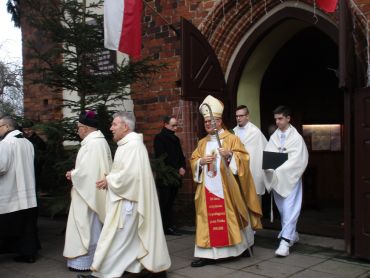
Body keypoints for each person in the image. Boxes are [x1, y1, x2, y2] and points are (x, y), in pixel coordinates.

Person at [78, 112, 170, 278]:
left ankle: (102, 273)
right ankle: (145, 268)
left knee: (116, 239)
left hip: (129, 202)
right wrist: (111, 179)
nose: (111, 128)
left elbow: (132, 176)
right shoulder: (126, 145)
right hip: (125, 198)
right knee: (127, 240)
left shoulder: (133, 146)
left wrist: (109, 180)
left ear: (125, 126)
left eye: (114, 124)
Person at [189, 95, 262, 267]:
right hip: (207, 189)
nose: (208, 124)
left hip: (227, 189)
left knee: (233, 214)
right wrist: (200, 162)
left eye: (211, 121)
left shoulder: (231, 139)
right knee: (207, 219)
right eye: (206, 122)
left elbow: (244, 158)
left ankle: (241, 247)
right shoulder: (202, 143)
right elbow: (194, 160)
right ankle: (207, 254)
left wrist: (230, 155)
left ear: (219, 122)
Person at [63, 111, 112, 272]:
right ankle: (92, 259)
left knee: (87, 225)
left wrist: (73, 174)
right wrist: (77, 174)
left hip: (88, 194)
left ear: (85, 128)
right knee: (92, 226)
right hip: (90, 192)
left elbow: (89, 173)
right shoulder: (97, 141)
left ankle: (85, 260)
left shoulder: (93, 144)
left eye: (78, 127)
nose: (77, 130)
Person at [263, 106, 309, 257]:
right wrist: (269, 167)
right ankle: (293, 234)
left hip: (291, 177)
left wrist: (281, 169)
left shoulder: (296, 138)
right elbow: (269, 153)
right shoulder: (274, 136)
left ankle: (285, 242)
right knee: (283, 209)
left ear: (288, 118)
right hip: (276, 178)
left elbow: (298, 159)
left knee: (290, 208)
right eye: (276, 119)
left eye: (280, 118)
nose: (277, 122)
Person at [0, 116, 40, 263]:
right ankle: (28, 252)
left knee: (8, 224)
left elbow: (1, 167)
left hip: (11, 191)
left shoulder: (5, 143)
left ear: (6, 127)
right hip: (27, 190)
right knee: (26, 225)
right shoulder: (27, 142)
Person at [154, 116, 186, 236]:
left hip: (175, 176)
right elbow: (162, 157)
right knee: (165, 202)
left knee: (171, 201)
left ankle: (170, 225)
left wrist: (183, 166)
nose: (175, 128)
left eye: (176, 125)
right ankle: (164, 227)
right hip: (166, 177)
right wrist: (177, 169)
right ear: (165, 124)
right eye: (173, 125)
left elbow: (180, 155)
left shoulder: (175, 139)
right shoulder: (159, 138)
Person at [233, 105, 267, 197]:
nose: (238, 118)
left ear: (247, 116)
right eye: (237, 116)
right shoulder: (233, 132)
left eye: (241, 116)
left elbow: (262, 151)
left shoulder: (255, 132)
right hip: (236, 170)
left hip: (251, 170)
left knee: (252, 199)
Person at [22, 120, 46, 191]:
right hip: (26, 167)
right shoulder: (24, 139)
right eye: (25, 130)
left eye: (29, 129)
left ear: (33, 129)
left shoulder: (38, 141)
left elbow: (41, 158)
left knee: (33, 187)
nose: (27, 132)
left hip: (35, 168)